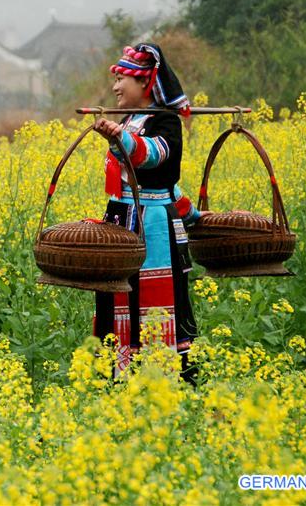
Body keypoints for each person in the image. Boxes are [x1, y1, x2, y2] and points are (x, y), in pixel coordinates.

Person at [91, 43, 201, 383]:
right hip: (123, 223)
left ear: (145, 83)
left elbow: (154, 157)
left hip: (153, 228)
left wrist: (120, 138)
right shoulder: (131, 120)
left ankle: (165, 382)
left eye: (123, 77)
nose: (115, 86)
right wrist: (190, 211)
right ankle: (119, 379)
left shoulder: (165, 122)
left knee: (153, 306)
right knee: (118, 297)